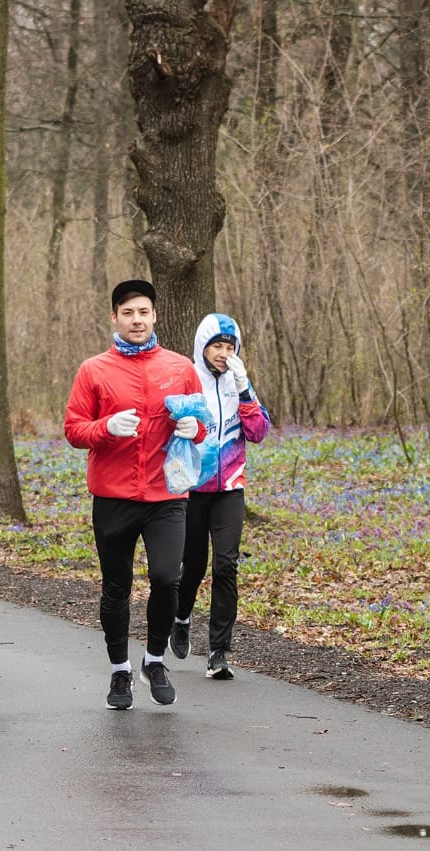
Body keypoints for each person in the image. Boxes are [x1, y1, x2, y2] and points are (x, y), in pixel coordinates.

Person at [63, 279, 207, 710]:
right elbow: (73, 430)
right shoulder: (94, 370)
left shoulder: (180, 368)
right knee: (117, 586)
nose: (137, 320)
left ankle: (154, 659)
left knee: (167, 578)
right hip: (114, 496)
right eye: (128, 313)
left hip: (166, 495)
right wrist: (105, 428)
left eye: (143, 312)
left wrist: (193, 428)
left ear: (155, 315)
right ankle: (119, 672)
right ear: (114, 317)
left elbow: (201, 424)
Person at [170, 313, 271, 680]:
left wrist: (245, 391)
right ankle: (180, 619)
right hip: (193, 487)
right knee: (193, 566)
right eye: (217, 346)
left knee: (226, 564)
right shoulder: (186, 377)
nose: (223, 354)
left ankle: (218, 651)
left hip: (231, 486)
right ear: (203, 346)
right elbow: (169, 424)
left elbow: (258, 431)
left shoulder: (238, 383)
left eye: (230, 347)